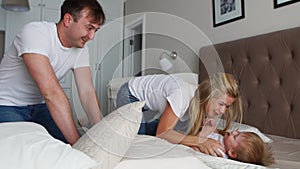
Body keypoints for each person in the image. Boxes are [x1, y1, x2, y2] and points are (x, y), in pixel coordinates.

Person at [0, 0, 105, 145]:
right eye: (89, 28)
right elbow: (51, 93)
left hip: (40, 105)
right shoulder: (35, 33)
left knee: (63, 144)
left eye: (96, 30)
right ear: (68, 20)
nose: (92, 36)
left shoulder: (81, 49)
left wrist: (102, 132)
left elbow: (87, 92)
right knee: (23, 149)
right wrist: (78, 146)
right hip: (7, 104)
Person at [116, 72, 243, 156]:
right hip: (131, 95)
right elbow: (162, 133)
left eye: (227, 106)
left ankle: (151, 127)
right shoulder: (181, 96)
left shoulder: (203, 103)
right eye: (221, 104)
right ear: (209, 96)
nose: (222, 111)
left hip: (150, 108)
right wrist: (200, 141)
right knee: (139, 145)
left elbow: (206, 130)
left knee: (178, 134)